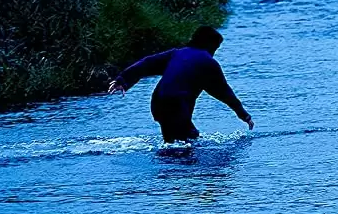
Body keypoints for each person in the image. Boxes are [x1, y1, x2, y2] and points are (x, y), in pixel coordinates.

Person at [108, 26, 254, 143]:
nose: (214, 52)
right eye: (215, 48)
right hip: (177, 104)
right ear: (210, 45)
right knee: (184, 145)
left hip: (158, 102)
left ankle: (167, 169)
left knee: (182, 138)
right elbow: (224, 92)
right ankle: (172, 174)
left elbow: (147, 63)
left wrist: (123, 80)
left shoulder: (176, 53)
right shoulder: (208, 63)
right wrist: (244, 115)